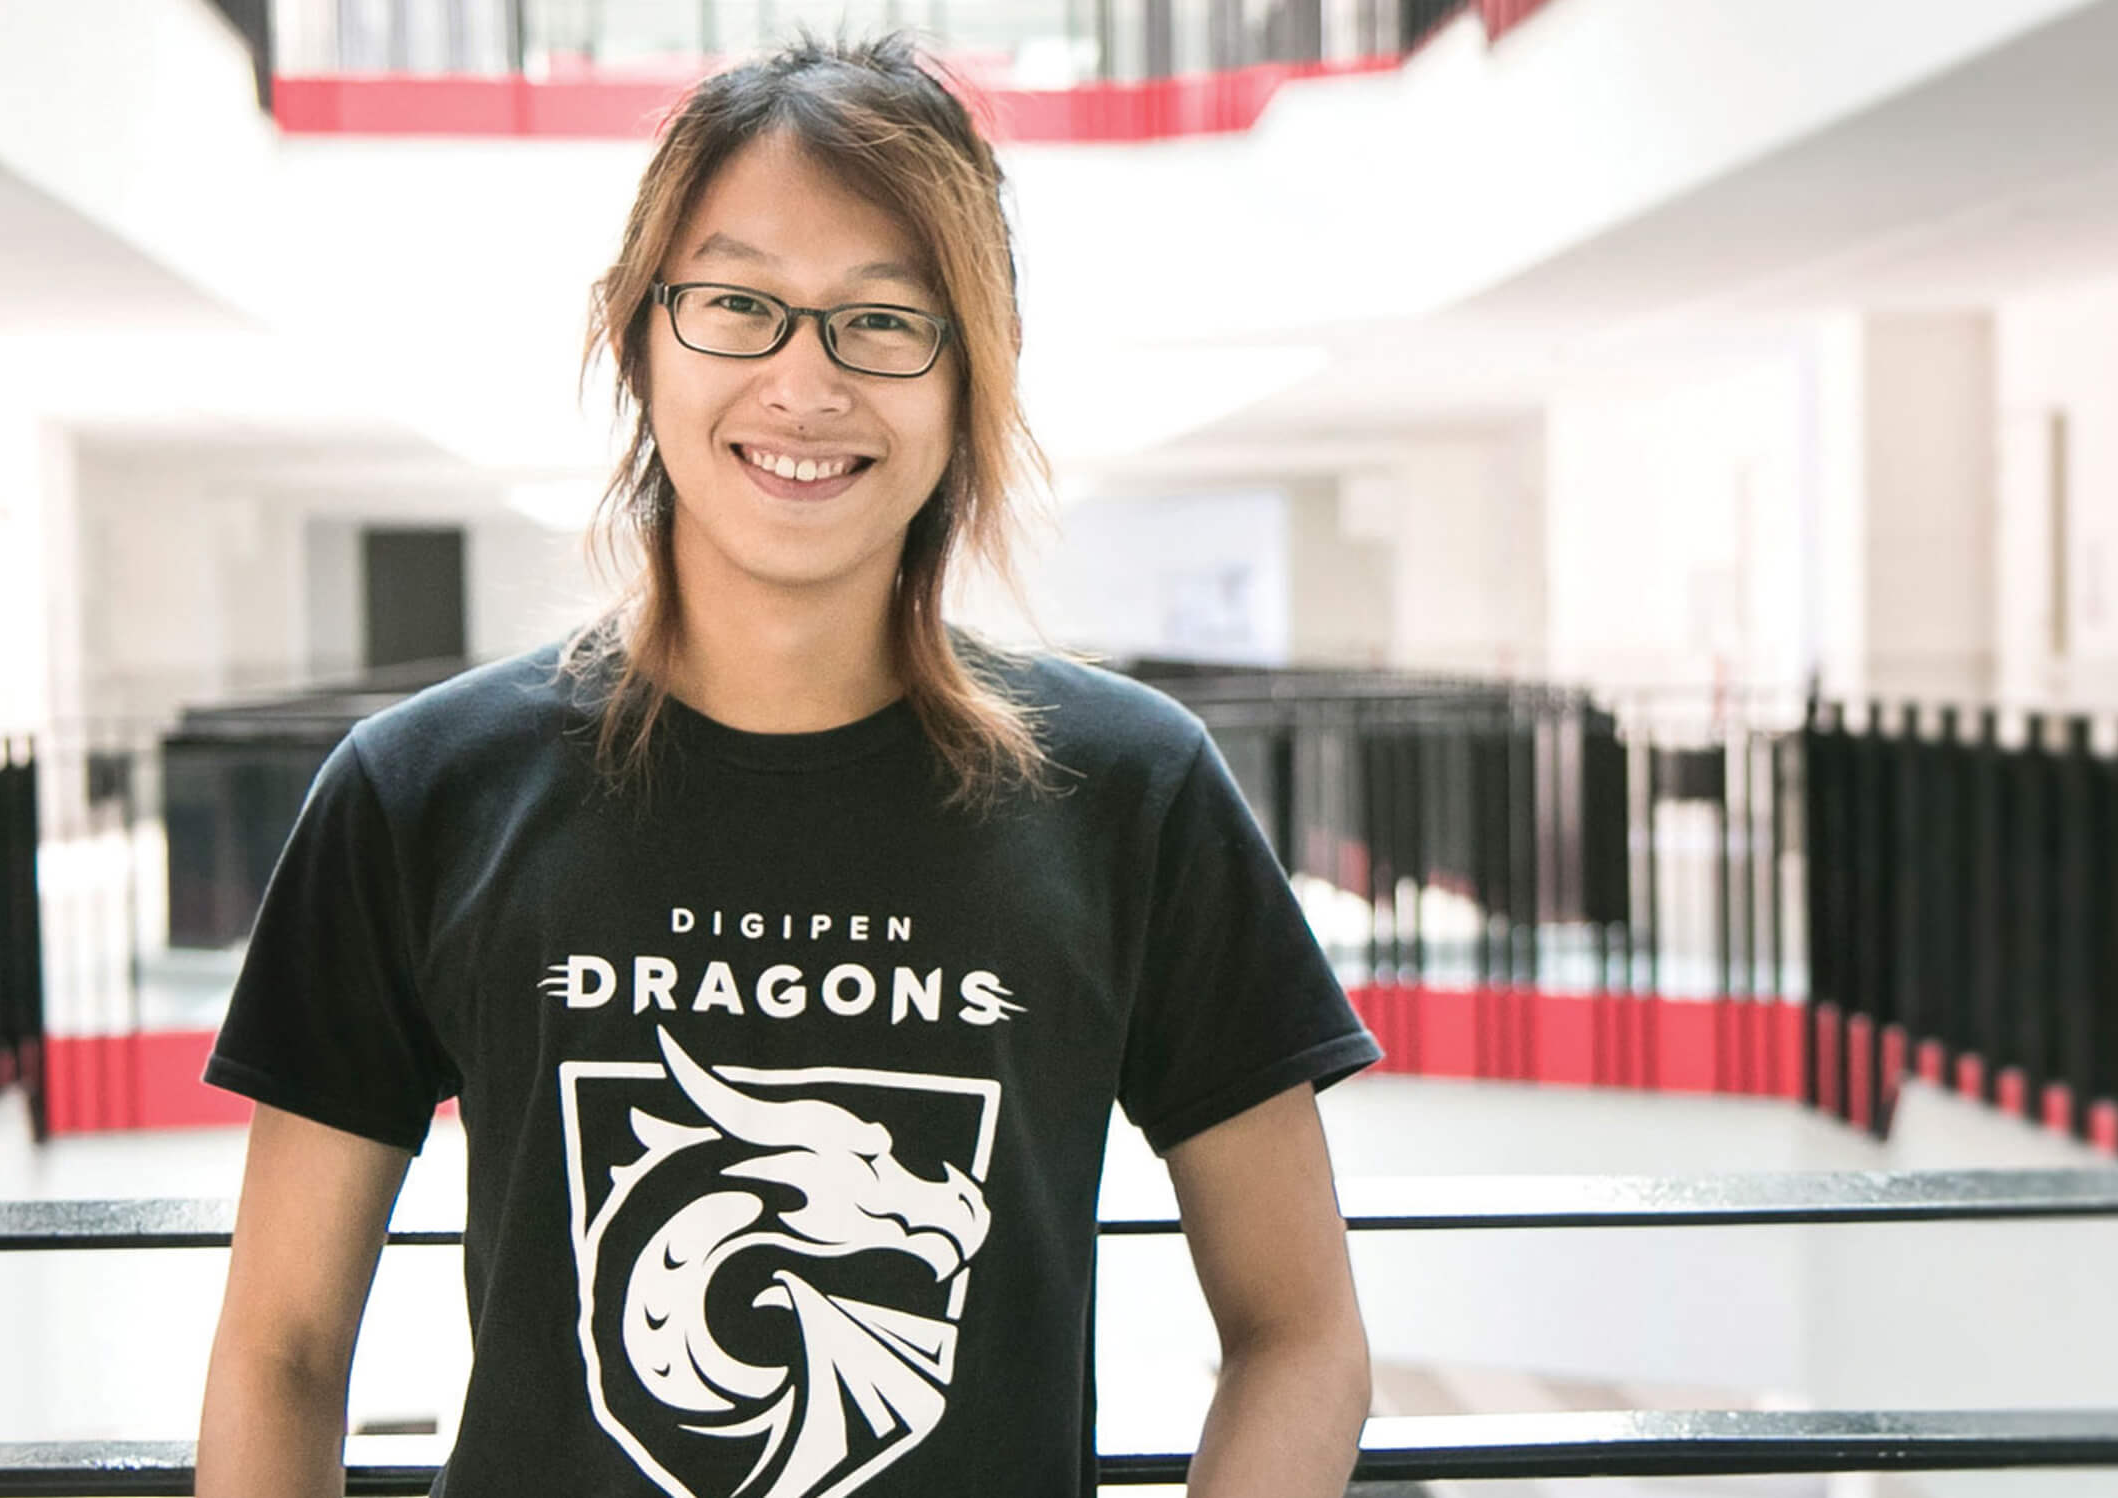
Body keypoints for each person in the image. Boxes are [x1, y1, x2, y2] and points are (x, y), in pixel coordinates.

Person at [196, 30, 1382, 1498]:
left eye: (883, 321)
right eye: (738, 304)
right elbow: (283, 1352)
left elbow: (1302, 1331)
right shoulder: (420, 793)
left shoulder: (1132, 793)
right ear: (639, 336)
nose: (803, 383)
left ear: (969, 382)